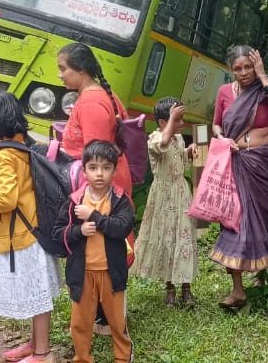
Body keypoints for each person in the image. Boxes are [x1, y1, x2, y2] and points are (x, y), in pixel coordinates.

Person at [0, 90, 61, 363]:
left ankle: (42, 353)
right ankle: (34, 345)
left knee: (38, 297)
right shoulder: (20, 144)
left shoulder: (2, 155)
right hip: (33, 231)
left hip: (22, 236)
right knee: (37, 296)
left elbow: (7, 198)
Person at [210, 45, 268, 308]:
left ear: (256, 66)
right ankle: (237, 290)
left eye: (248, 67)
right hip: (236, 163)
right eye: (238, 68)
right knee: (233, 220)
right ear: (231, 70)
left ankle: (263, 274)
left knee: (266, 218)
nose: (243, 72)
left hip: (264, 164)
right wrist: (221, 137)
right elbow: (216, 122)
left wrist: (263, 78)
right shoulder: (224, 92)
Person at [56, 41, 134, 334]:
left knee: (108, 247)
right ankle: (102, 314)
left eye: (64, 69)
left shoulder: (91, 102)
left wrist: (94, 197)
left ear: (82, 70)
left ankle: (111, 318)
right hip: (103, 181)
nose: (60, 75)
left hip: (102, 184)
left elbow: (98, 158)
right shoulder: (96, 96)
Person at [55, 140, 135, 363]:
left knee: (116, 321)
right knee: (80, 322)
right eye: (93, 168)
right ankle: (82, 358)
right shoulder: (75, 201)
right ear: (84, 169)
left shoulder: (119, 199)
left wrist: (94, 216)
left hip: (111, 271)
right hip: (82, 272)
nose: (99, 174)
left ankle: (122, 357)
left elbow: (121, 228)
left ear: (114, 170)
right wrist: (79, 230)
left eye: (106, 168)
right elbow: (60, 233)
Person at [132, 97, 198, 307]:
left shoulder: (179, 139)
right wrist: (172, 120)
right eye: (177, 120)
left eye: (181, 119)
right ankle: (169, 286)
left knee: (184, 237)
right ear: (163, 122)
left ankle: (186, 287)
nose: (181, 124)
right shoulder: (155, 137)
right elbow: (162, 146)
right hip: (162, 196)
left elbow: (180, 162)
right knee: (166, 238)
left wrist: (188, 151)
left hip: (181, 193)